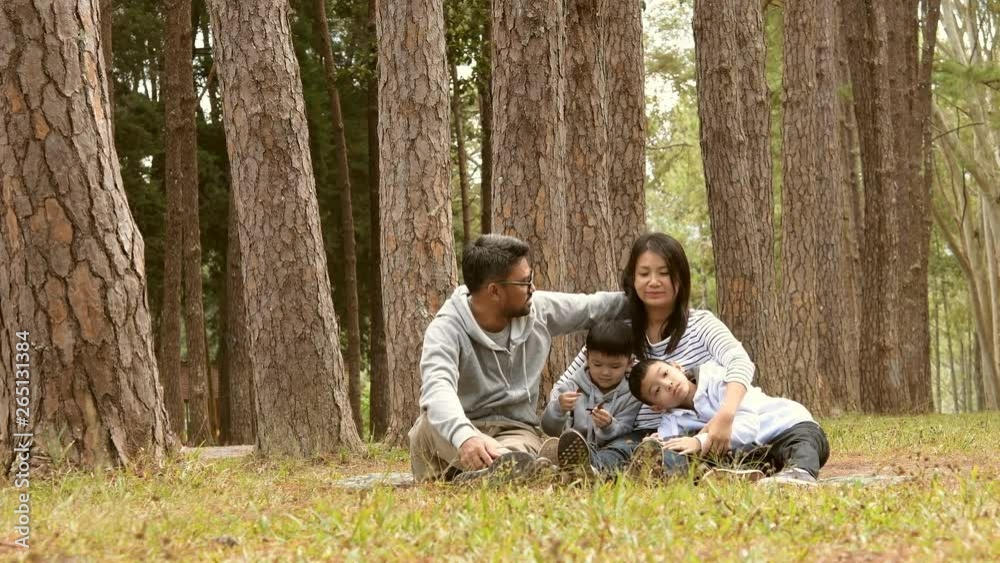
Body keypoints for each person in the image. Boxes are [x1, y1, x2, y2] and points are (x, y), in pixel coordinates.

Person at [408, 234, 627, 482]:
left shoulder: (538, 309)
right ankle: (508, 472)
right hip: (453, 435)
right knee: (432, 425)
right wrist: (465, 436)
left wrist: (650, 299)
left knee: (519, 452)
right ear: (494, 291)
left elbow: (594, 308)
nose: (532, 288)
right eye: (524, 282)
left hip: (513, 432)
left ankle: (490, 475)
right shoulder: (446, 329)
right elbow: (438, 388)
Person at [554, 232, 756, 476]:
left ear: (680, 277)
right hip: (637, 434)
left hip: (694, 430)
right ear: (632, 279)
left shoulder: (701, 324)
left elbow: (740, 361)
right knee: (622, 450)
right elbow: (569, 380)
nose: (653, 282)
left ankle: (646, 472)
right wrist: (562, 406)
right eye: (644, 273)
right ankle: (586, 469)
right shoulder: (619, 333)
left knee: (672, 456)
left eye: (664, 273)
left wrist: (726, 415)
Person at [628, 359, 830, 484]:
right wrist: (657, 445)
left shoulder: (717, 379)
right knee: (702, 460)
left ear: (677, 366)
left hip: (788, 428)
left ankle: (800, 474)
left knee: (801, 446)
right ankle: (739, 477)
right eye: (657, 390)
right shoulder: (672, 421)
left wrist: (700, 441)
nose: (668, 384)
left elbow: (749, 426)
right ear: (656, 407)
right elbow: (672, 443)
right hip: (753, 453)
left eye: (665, 374)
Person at [540, 321, 641, 468]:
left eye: (615, 366)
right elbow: (549, 429)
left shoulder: (631, 396)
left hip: (607, 454)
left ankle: (587, 465)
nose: (605, 372)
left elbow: (626, 433)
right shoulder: (571, 387)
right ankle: (550, 465)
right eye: (597, 364)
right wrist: (558, 409)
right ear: (587, 357)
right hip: (570, 449)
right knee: (554, 446)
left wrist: (609, 426)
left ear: (630, 362)